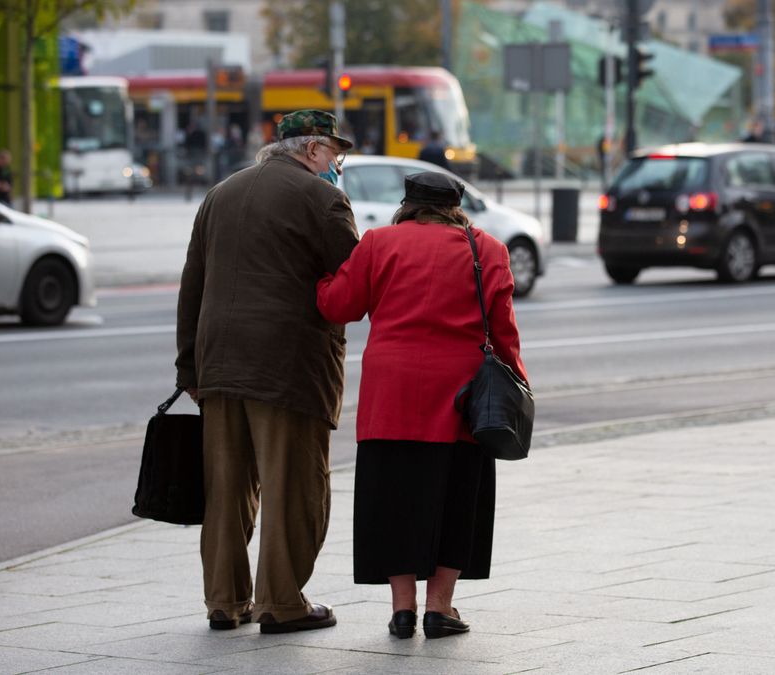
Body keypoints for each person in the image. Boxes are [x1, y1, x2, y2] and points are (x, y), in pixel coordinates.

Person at [316, 172, 527, 640]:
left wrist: (324, 276)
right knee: (457, 499)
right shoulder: (487, 249)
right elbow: (504, 329)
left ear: (408, 204)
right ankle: (440, 607)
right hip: (461, 397)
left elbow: (338, 306)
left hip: (390, 394)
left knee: (393, 497)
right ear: (456, 206)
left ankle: (402, 610)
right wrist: (519, 382)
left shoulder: (378, 243)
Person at [175, 109, 359, 635]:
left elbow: (193, 284)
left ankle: (224, 601)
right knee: (293, 485)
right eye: (334, 154)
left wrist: (189, 364)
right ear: (311, 149)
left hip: (218, 363)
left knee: (226, 489)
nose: (336, 165)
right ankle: (280, 602)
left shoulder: (221, 193)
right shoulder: (323, 199)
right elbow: (350, 284)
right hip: (288, 365)